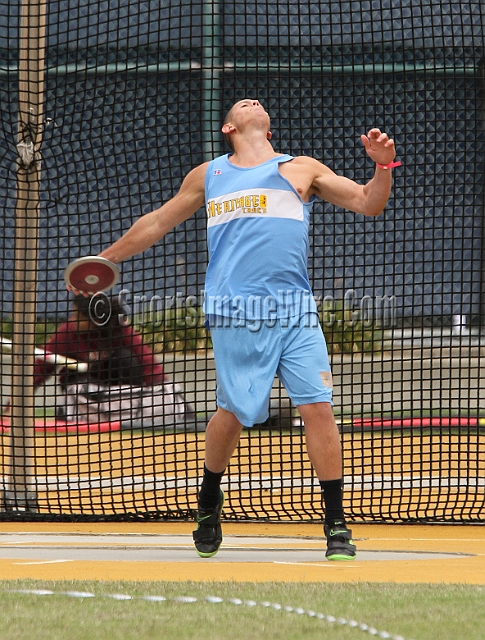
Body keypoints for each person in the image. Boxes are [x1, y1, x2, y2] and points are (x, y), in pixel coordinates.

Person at [75, 98, 398, 560]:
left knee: (318, 408)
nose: (252, 101)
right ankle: (209, 499)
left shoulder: (301, 169)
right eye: (242, 104)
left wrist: (384, 167)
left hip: (295, 310)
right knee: (235, 414)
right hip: (234, 310)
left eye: (259, 102)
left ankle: (336, 525)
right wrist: (105, 260)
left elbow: (369, 203)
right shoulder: (210, 175)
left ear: (269, 127)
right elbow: (157, 222)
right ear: (229, 125)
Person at [34, 294, 192, 426]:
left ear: (94, 320)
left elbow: (148, 364)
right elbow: (40, 367)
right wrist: (16, 401)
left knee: (125, 359)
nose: (73, 319)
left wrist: (167, 394)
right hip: (84, 392)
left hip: (117, 390)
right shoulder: (67, 333)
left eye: (78, 316)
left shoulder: (121, 328)